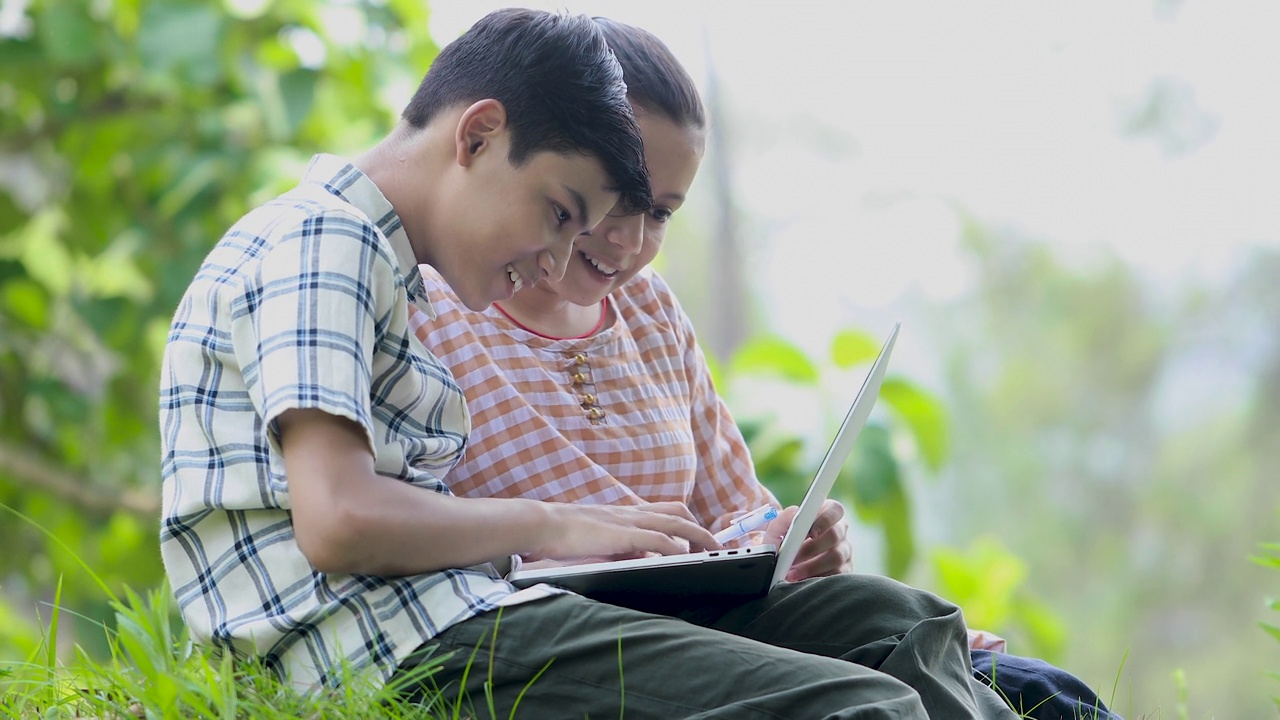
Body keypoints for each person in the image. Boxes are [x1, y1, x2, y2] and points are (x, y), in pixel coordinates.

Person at [158, 8, 992, 719]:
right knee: (859, 706)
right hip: (396, 645)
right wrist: (558, 523)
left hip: (466, 615)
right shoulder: (322, 240)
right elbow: (337, 519)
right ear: (479, 135)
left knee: (895, 623)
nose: (556, 262)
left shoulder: (385, 264)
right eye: (559, 213)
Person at [409, 16, 1120, 720]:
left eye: (660, 213)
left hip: (720, 617)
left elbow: (733, 511)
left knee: (1043, 691)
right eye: (614, 201)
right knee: (903, 689)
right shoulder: (436, 301)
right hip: (577, 639)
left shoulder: (649, 312)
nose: (629, 241)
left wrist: (786, 540)